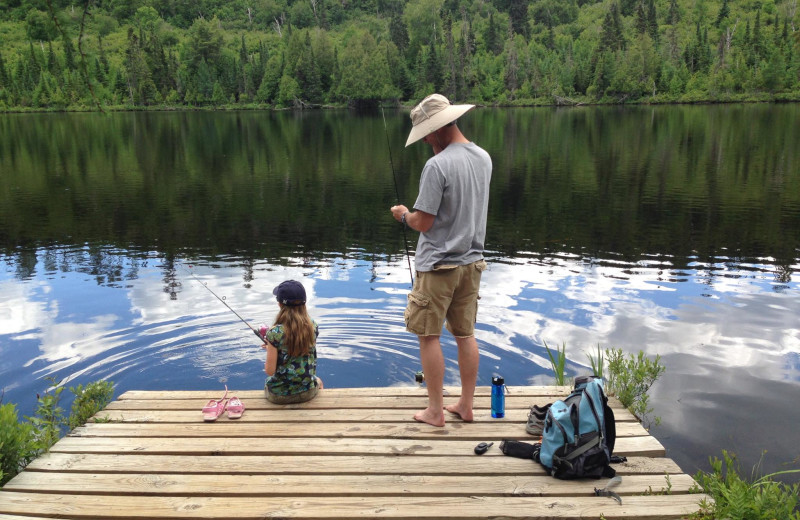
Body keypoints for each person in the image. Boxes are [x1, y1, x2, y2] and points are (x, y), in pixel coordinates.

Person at [390, 93, 492, 427]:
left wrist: (404, 215)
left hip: (438, 267)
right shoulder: (483, 158)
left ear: (436, 130)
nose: (425, 142)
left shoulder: (437, 165)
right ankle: (465, 404)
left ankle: (435, 411)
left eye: (426, 136)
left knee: (428, 336)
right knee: (466, 334)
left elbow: (424, 221)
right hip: (472, 264)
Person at [260, 280, 323, 404]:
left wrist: (271, 349)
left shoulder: (274, 333)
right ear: (304, 303)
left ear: (279, 304)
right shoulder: (313, 326)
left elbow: (270, 371)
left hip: (279, 396)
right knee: (319, 381)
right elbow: (301, 352)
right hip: (307, 393)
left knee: (269, 382)